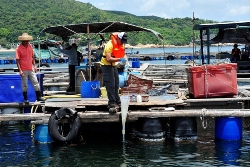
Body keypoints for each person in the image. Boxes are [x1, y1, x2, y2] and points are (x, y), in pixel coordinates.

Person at [100, 32, 128, 112]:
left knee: (116, 83)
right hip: (106, 65)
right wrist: (120, 59)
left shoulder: (121, 44)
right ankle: (112, 102)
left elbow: (124, 54)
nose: (123, 42)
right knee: (110, 84)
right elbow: (108, 58)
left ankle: (117, 100)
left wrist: (126, 60)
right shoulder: (110, 45)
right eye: (122, 41)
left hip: (113, 65)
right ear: (118, 38)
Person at [16, 33, 45, 102]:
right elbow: (17, 60)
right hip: (23, 69)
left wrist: (34, 66)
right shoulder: (18, 49)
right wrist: (20, 70)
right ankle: (26, 98)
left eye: (27, 40)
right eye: (25, 40)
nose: (26, 42)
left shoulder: (30, 47)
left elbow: (32, 58)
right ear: (22, 41)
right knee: (24, 85)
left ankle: (39, 97)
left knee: (35, 82)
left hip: (30, 68)